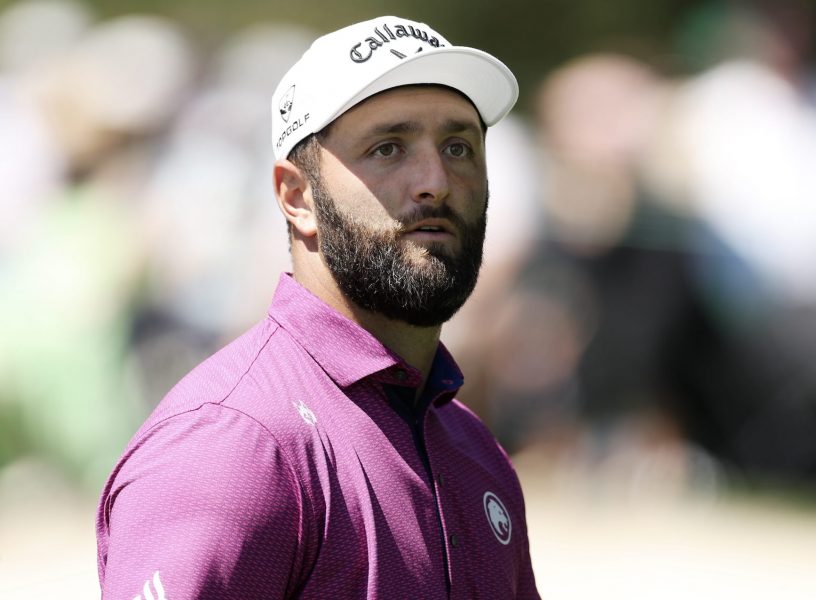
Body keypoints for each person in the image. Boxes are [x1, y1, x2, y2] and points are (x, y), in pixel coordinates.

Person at [95, 16, 539, 599]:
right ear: (296, 197)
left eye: (459, 147)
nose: (435, 180)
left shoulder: (474, 451)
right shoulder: (235, 445)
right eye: (388, 148)